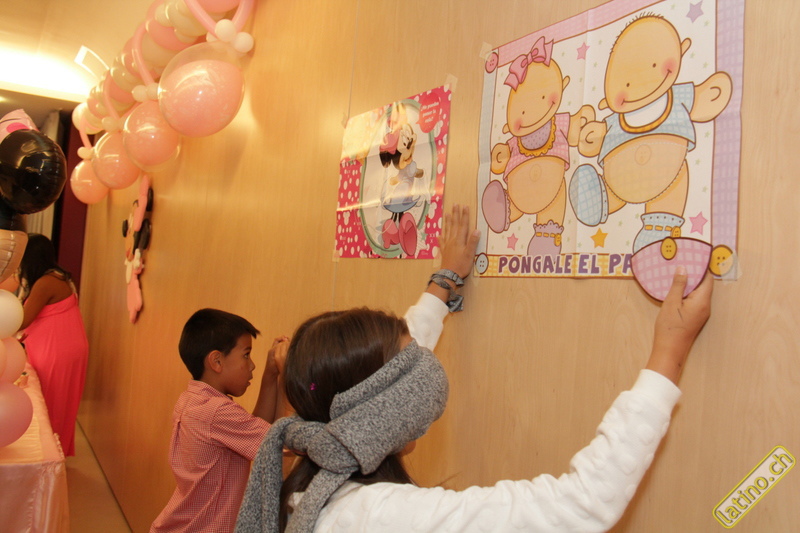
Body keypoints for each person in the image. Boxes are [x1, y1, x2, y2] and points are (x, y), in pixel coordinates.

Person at [235, 204, 714, 533]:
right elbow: (580, 504)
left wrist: (443, 282)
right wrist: (667, 355)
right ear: (375, 411)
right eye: (407, 376)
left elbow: (387, 367)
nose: (419, 382)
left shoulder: (308, 479)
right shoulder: (379, 517)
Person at [150, 309, 289, 533]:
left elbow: (253, 433)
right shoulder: (217, 413)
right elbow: (283, 443)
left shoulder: (193, 400)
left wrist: (271, 375)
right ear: (216, 361)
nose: (252, 365)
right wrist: (289, 377)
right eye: (246, 355)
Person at [18, 233, 89, 457]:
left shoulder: (46, 283)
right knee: (57, 402)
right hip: (61, 348)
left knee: (53, 403)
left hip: (58, 351)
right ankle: (53, 453)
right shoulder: (55, 278)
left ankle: (49, 457)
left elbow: (22, 319)